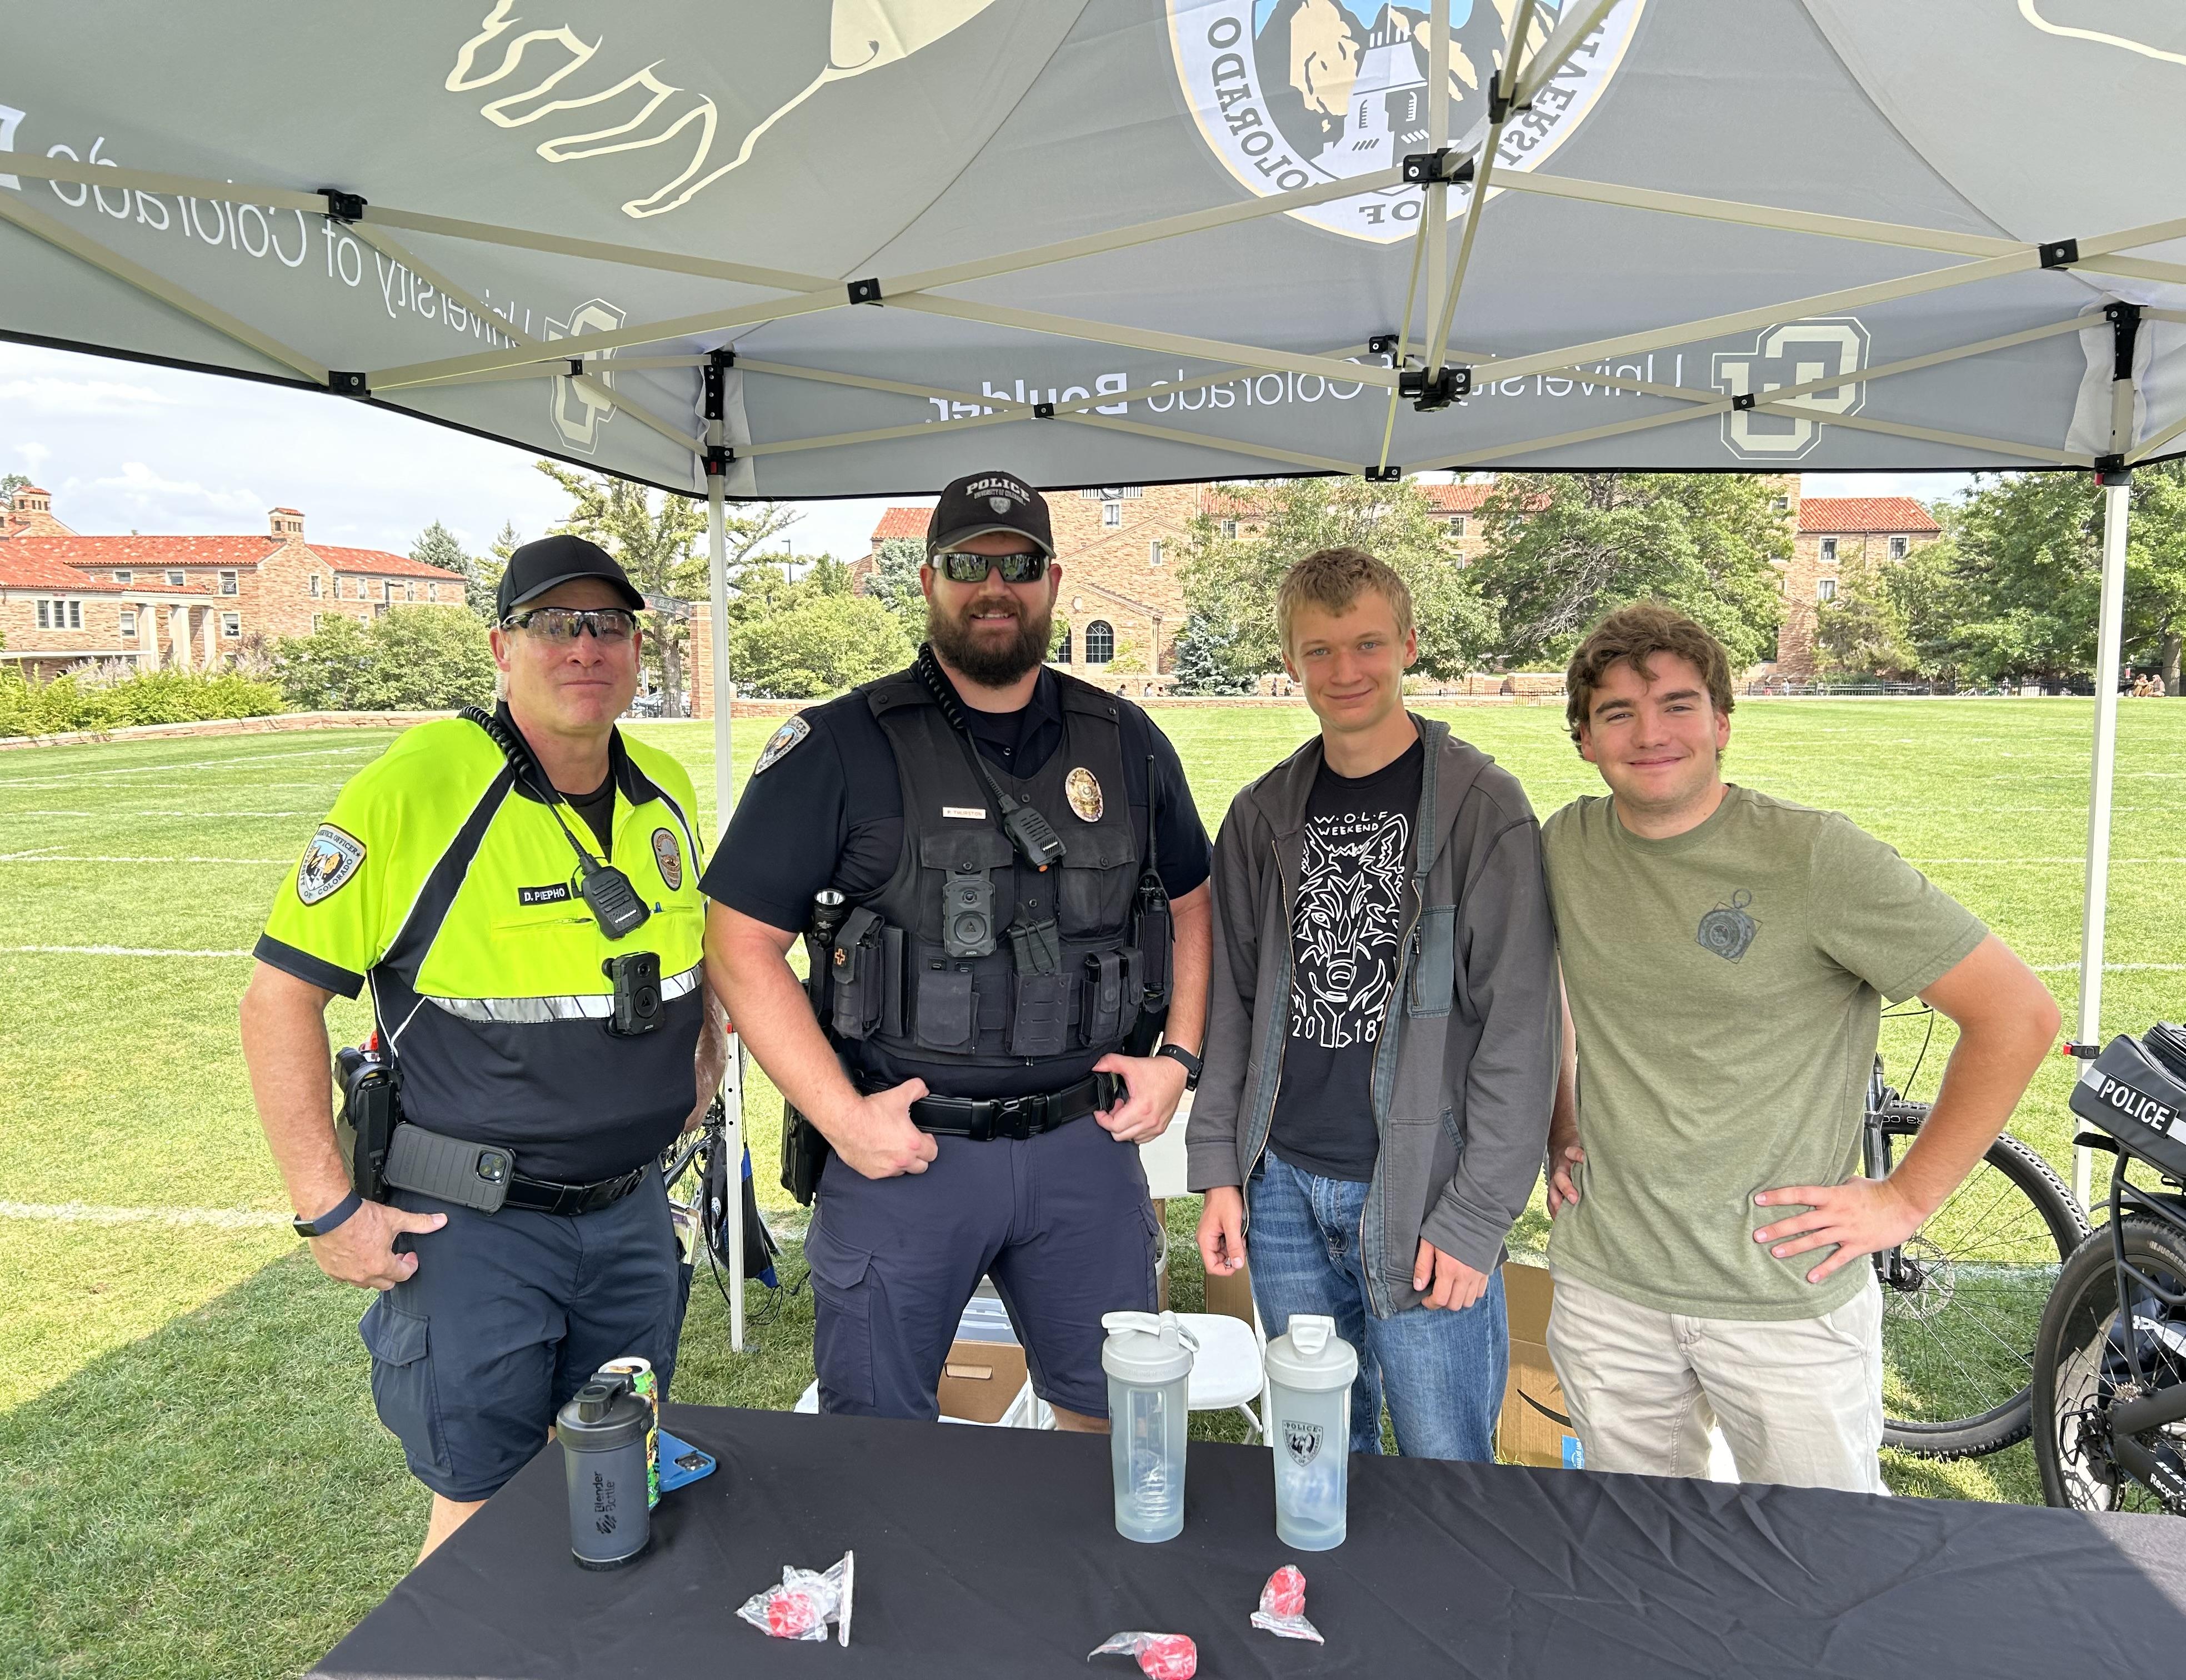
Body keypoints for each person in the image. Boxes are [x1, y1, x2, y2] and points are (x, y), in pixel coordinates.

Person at [240, 534, 720, 1559]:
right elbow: (278, 1001)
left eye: (609, 626)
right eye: (555, 625)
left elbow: (697, 956)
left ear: (638, 650)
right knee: (482, 1516)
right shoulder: (420, 783)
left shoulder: (664, 788)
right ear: (503, 648)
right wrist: (327, 1210)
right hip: (472, 1230)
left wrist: (707, 1054)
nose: (585, 648)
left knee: (619, 1478)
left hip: (631, 1219)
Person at [702, 469, 1213, 1432]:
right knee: (878, 1439)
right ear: (929, 579)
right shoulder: (840, 745)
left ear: (1053, 581)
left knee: (1110, 1427)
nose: (994, 586)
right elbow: (738, 945)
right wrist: (846, 1122)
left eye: (1016, 564)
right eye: (966, 564)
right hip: (908, 1153)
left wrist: (1178, 1060)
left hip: (1082, 1145)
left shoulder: (1126, 741)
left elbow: (1193, 898)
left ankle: (1077, 1589)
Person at [1539, 602, 2060, 1491]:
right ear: (1585, 740)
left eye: (1677, 704)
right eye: (1618, 712)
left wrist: (1902, 1202)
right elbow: (1546, 996)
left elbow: (2017, 1015)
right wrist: (1559, 1124)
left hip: (1783, 1294)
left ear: (1723, 724)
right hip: (1609, 1288)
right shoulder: (1565, 847)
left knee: (1828, 1571)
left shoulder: (1815, 857)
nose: (1650, 732)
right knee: (1642, 1562)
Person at [1189, 548, 1559, 1461]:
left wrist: (1477, 1219)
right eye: (1318, 651)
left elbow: (1522, 1028)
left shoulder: (1482, 809)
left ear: (1409, 645)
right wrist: (1222, 1172)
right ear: (1290, 661)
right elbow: (1235, 1007)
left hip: (1424, 1193)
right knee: (1318, 1453)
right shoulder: (1260, 816)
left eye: (1366, 645)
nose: (1344, 671)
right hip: (1282, 1191)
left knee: (1445, 1458)